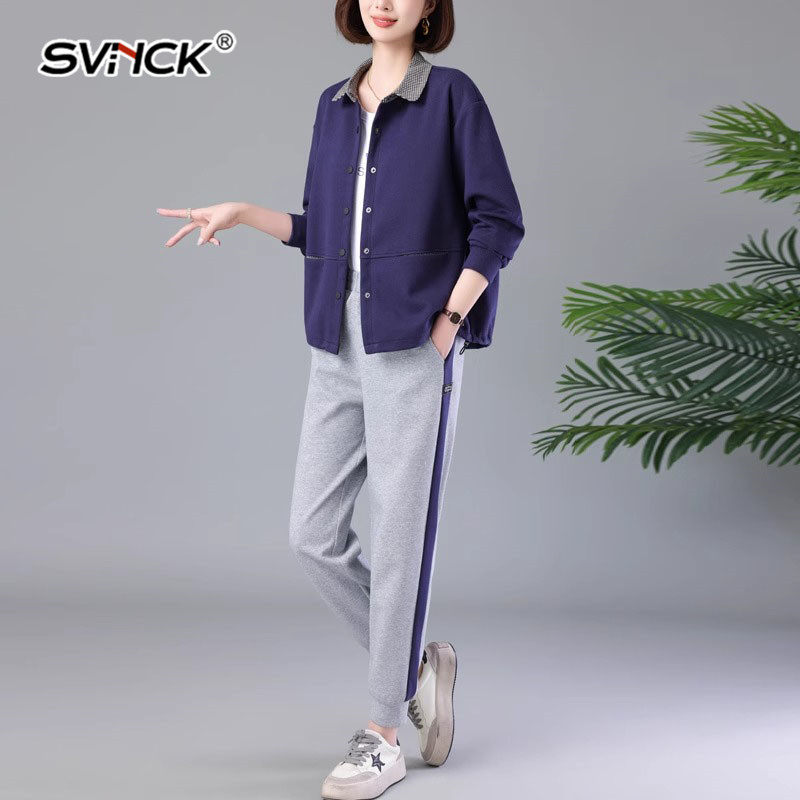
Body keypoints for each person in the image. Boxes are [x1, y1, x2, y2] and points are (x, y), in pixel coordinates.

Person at [157, 2, 524, 797]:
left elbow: (499, 223)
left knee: (398, 542)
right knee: (313, 536)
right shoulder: (333, 105)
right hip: (336, 342)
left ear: (430, 6)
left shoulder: (451, 96)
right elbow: (322, 229)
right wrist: (245, 214)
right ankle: (419, 668)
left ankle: (382, 734)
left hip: (412, 345)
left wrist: (449, 322)